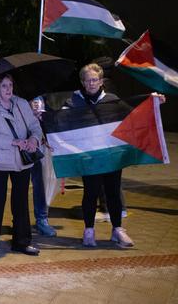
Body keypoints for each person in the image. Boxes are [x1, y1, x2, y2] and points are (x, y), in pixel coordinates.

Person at [62, 63, 165, 248]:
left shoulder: (111, 99)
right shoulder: (73, 102)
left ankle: (117, 230)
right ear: (83, 82)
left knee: (113, 193)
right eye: (87, 80)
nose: (91, 83)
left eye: (95, 79)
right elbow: (59, 122)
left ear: (101, 81)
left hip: (111, 157)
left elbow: (133, 115)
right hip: (89, 158)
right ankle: (89, 231)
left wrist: (153, 102)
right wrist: (42, 115)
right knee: (90, 194)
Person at [0, 74, 42, 256]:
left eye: (10, 85)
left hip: (23, 160)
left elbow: (35, 125)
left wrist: (34, 139)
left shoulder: (22, 104)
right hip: (0, 160)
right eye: (4, 86)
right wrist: (13, 141)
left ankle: (22, 242)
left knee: (21, 199)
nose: (8, 89)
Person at [28, 96, 57, 237]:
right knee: (18, 188)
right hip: (15, 147)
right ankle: (20, 221)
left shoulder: (43, 98)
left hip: (36, 149)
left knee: (40, 184)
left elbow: (52, 120)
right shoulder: (15, 98)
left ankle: (42, 219)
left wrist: (41, 118)